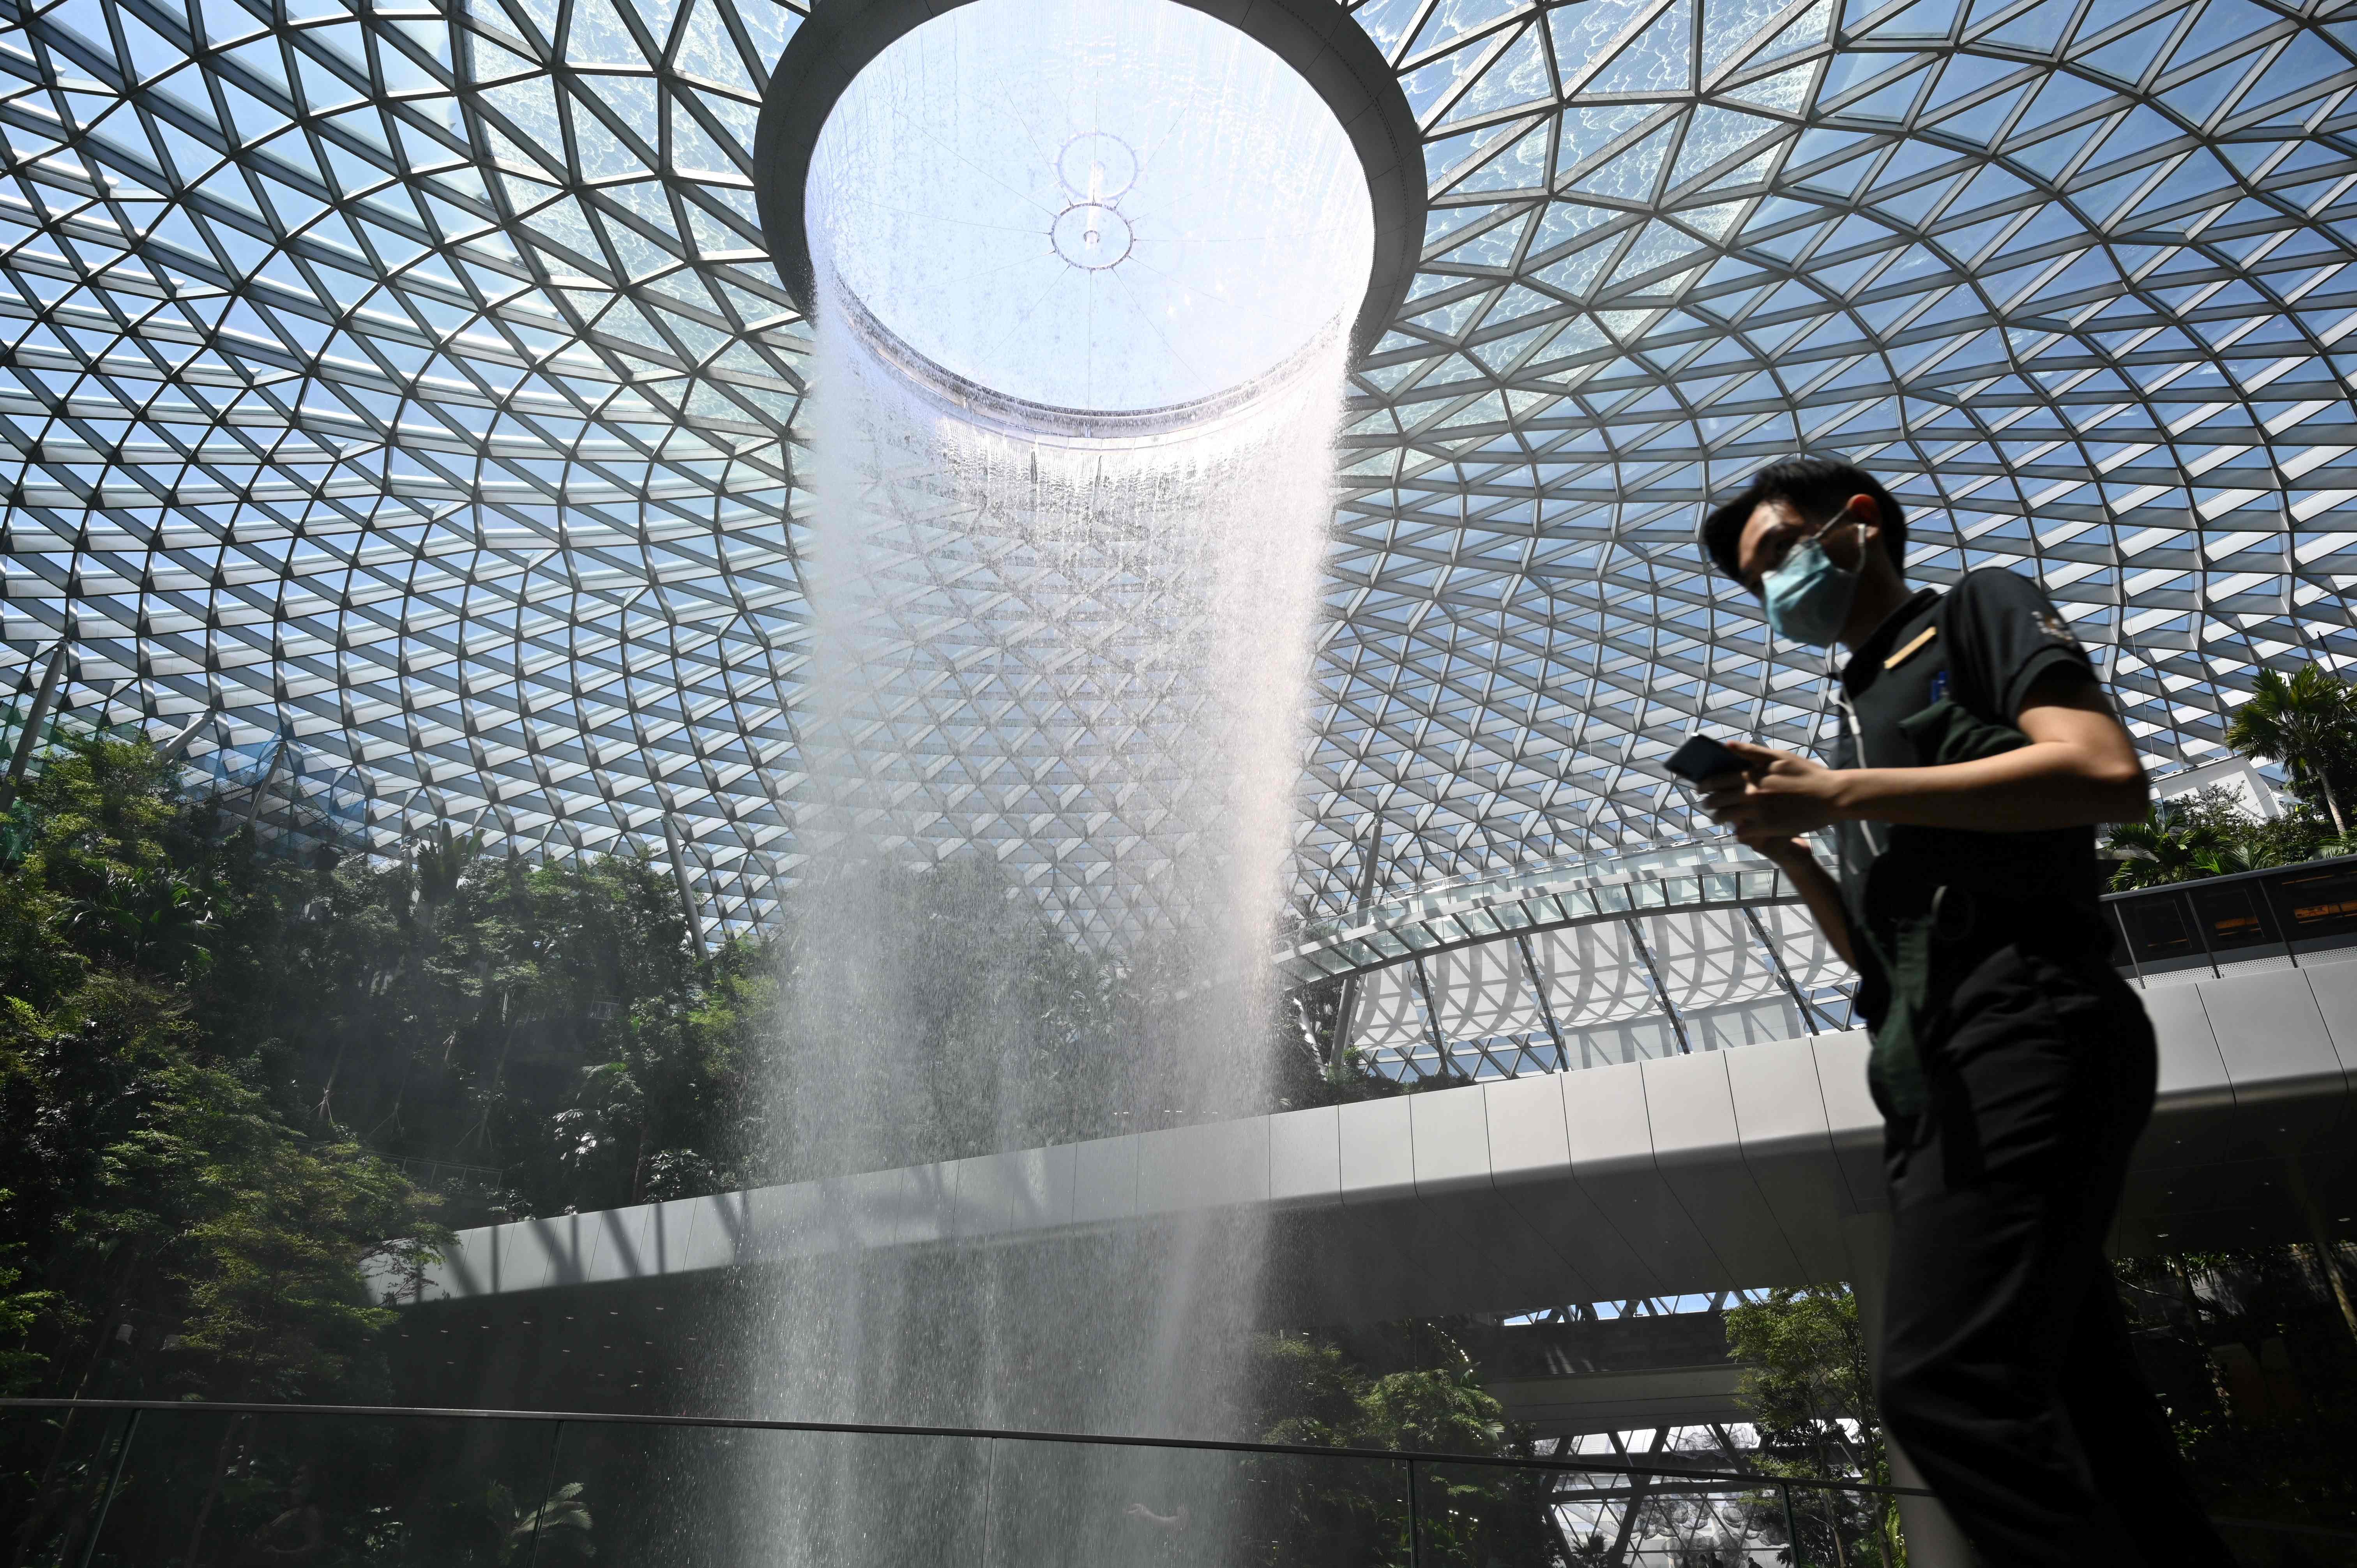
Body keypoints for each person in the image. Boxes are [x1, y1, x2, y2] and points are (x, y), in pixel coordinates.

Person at [1691, 456, 2233, 1567]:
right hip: (1934, 1070)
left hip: (2029, 1022)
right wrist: (1798, 853)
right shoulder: (1854, 719)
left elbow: (2101, 771)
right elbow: (1884, 964)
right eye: (1755, 583)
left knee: (1942, 1384)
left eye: (1778, 553)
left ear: (1858, 523)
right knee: (2091, 1421)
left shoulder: (1972, 613)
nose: (1773, 589)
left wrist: (1844, 792)